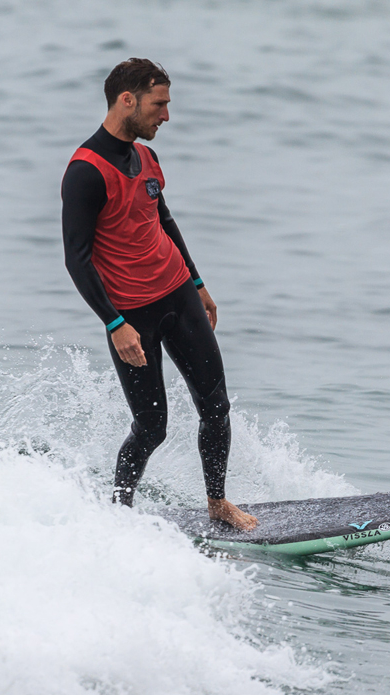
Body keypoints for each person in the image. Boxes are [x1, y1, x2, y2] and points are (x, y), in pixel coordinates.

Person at [61, 58, 257, 531]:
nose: (166, 115)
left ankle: (217, 503)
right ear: (127, 100)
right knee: (151, 427)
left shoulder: (146, 158)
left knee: (216, 407)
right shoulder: (86, 171)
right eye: (159, 104)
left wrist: (197, 282)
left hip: (178, 296)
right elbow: (77, 258)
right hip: (131, 317)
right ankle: (119, 515)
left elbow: (164, 221)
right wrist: (114, 323)